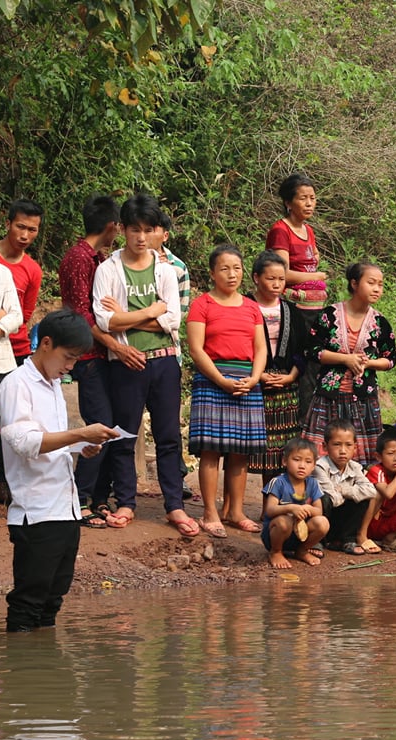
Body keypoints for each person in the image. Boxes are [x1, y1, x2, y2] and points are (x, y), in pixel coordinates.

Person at [0, 309, 118, 631]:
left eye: (77, 360)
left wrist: (80, 447)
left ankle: (43, 670)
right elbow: (24, 441)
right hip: (35, 512)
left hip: (65, 508)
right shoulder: (16, 384)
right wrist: (80, 434)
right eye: (68, 357)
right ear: (46, 343)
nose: (70, 366)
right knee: (29, 601)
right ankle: (22, 672)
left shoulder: (52, 385)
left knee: (53, 599)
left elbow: (49, 441)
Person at [93, 193, 196, 536]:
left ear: (156, 231)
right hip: (126, 361)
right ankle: (126, 502)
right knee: (125, 435)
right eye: (134, 229)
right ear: (122, 229)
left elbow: (172, 320)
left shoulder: (166, 269)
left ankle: (175, 507)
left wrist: (128, 318)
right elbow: (105, 321)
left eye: (147, 229)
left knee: (168, 437)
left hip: (164, 362)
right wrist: (150, 311)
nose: (140, 237)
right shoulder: (108, 269)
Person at [186, 245, 267, 538]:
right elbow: (196, 349)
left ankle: (235, 511)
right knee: (210, 450)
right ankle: (209, 512)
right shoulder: (202, 304)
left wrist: (255, 377)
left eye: (237, 268)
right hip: (213, 380)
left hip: (247, 381)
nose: (232, 274)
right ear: (212, 273)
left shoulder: (251, 307)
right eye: (224, 268)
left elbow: (260, 348)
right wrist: (220, 379)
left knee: (240, 452)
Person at [58, 194, 121, 527]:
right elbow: (81, 313)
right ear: (111, 226)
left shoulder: (99, 257)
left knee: (109, 424)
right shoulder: (79, 258)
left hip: (102, 354)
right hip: (89, 354)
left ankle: (98, 496)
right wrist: (115, 344)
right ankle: (80, 498)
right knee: (99, 424)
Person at [302, 261, 396, 465]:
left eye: (380, 284)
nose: (377, 289)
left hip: (363, 399)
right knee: (321, 457)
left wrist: (369, 364)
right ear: (354, 284)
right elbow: (311, 350)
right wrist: (345, 359)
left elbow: (390, 359)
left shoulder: (380, 322)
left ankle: (357, 496)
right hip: (329, 396)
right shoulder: (329, 315)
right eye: (371, 283)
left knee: (361, 459)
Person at [0, 199, 43, 505]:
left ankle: (4, 480)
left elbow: (22, 316)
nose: (25, 234)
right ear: (8, 222)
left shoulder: (32, 270)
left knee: (10, 420)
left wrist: (0, 320)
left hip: (16, 353)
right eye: (20, 226)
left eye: (32, 230)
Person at [247, 250, 307, 485]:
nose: (276, 284)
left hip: (285, 385)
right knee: (250, 446)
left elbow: (303, 349)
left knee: (281, 449)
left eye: (281, 279)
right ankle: (234, 506)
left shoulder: (291, 310)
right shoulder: (245, 306)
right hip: (254, 383)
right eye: (270, 278)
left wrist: (291, 375)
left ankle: (271, 503)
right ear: (256, 278)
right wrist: (258, 375)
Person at [314, 418, 382, 554]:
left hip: (341, 515)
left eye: (348, 445)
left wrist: (345, 490)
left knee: (363, 500)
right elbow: (332, 497)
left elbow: (370, 491)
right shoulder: (320, 466)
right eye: (337, 444)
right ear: (325, 447)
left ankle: (347, 539)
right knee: (324, 499)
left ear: (355, 448)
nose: (343, 451)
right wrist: (352, 493)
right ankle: (318, 541)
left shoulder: (355, 467)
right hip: (324, 517)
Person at [261, 437, 329, 569]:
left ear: (314, 465)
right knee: (283, 522)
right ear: (285, 461)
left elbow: (318, 511)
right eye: (296, 460)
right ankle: (276, 552)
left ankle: (302, 550)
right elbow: (269, 510)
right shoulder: (279, 482)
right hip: (277, 534)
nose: (302, 465)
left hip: (300, 535)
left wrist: (306, 509)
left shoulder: (313, 483)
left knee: (322, 523)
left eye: (308, 461)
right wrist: (291, 508)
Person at [266, 173, 328, 315]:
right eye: (303, 198)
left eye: (312, 198)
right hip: (291, 306)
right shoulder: (281, 231)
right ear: (288, 203)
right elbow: (282, 274)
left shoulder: (308, 230)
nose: (309, 203)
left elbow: (313, 256)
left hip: (312, 306)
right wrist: (315, 276)